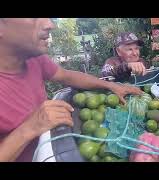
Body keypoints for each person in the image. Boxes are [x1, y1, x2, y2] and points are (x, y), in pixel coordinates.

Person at [0, 18, 143, 162]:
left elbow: (67, 76)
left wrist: (112, 86)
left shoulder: (33, 59)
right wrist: (30, 127)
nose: (50, 25)